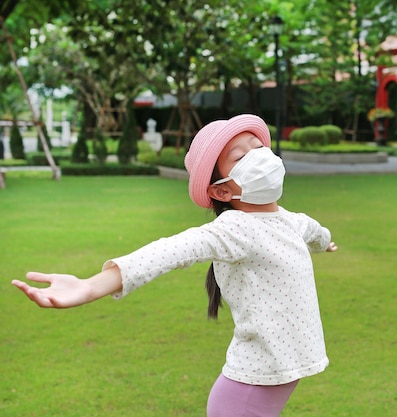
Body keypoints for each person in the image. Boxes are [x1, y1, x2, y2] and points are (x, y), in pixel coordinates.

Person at [11, 114, 338, 417]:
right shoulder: (235, 229)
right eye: (240, 157)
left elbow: (315, 232)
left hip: (268, 383)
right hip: (243, 395)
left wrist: (326, 243)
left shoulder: (290, 222)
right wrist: (90, 285)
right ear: (222, 188)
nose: (260, 158)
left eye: (259, 148)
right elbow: (169, 251)